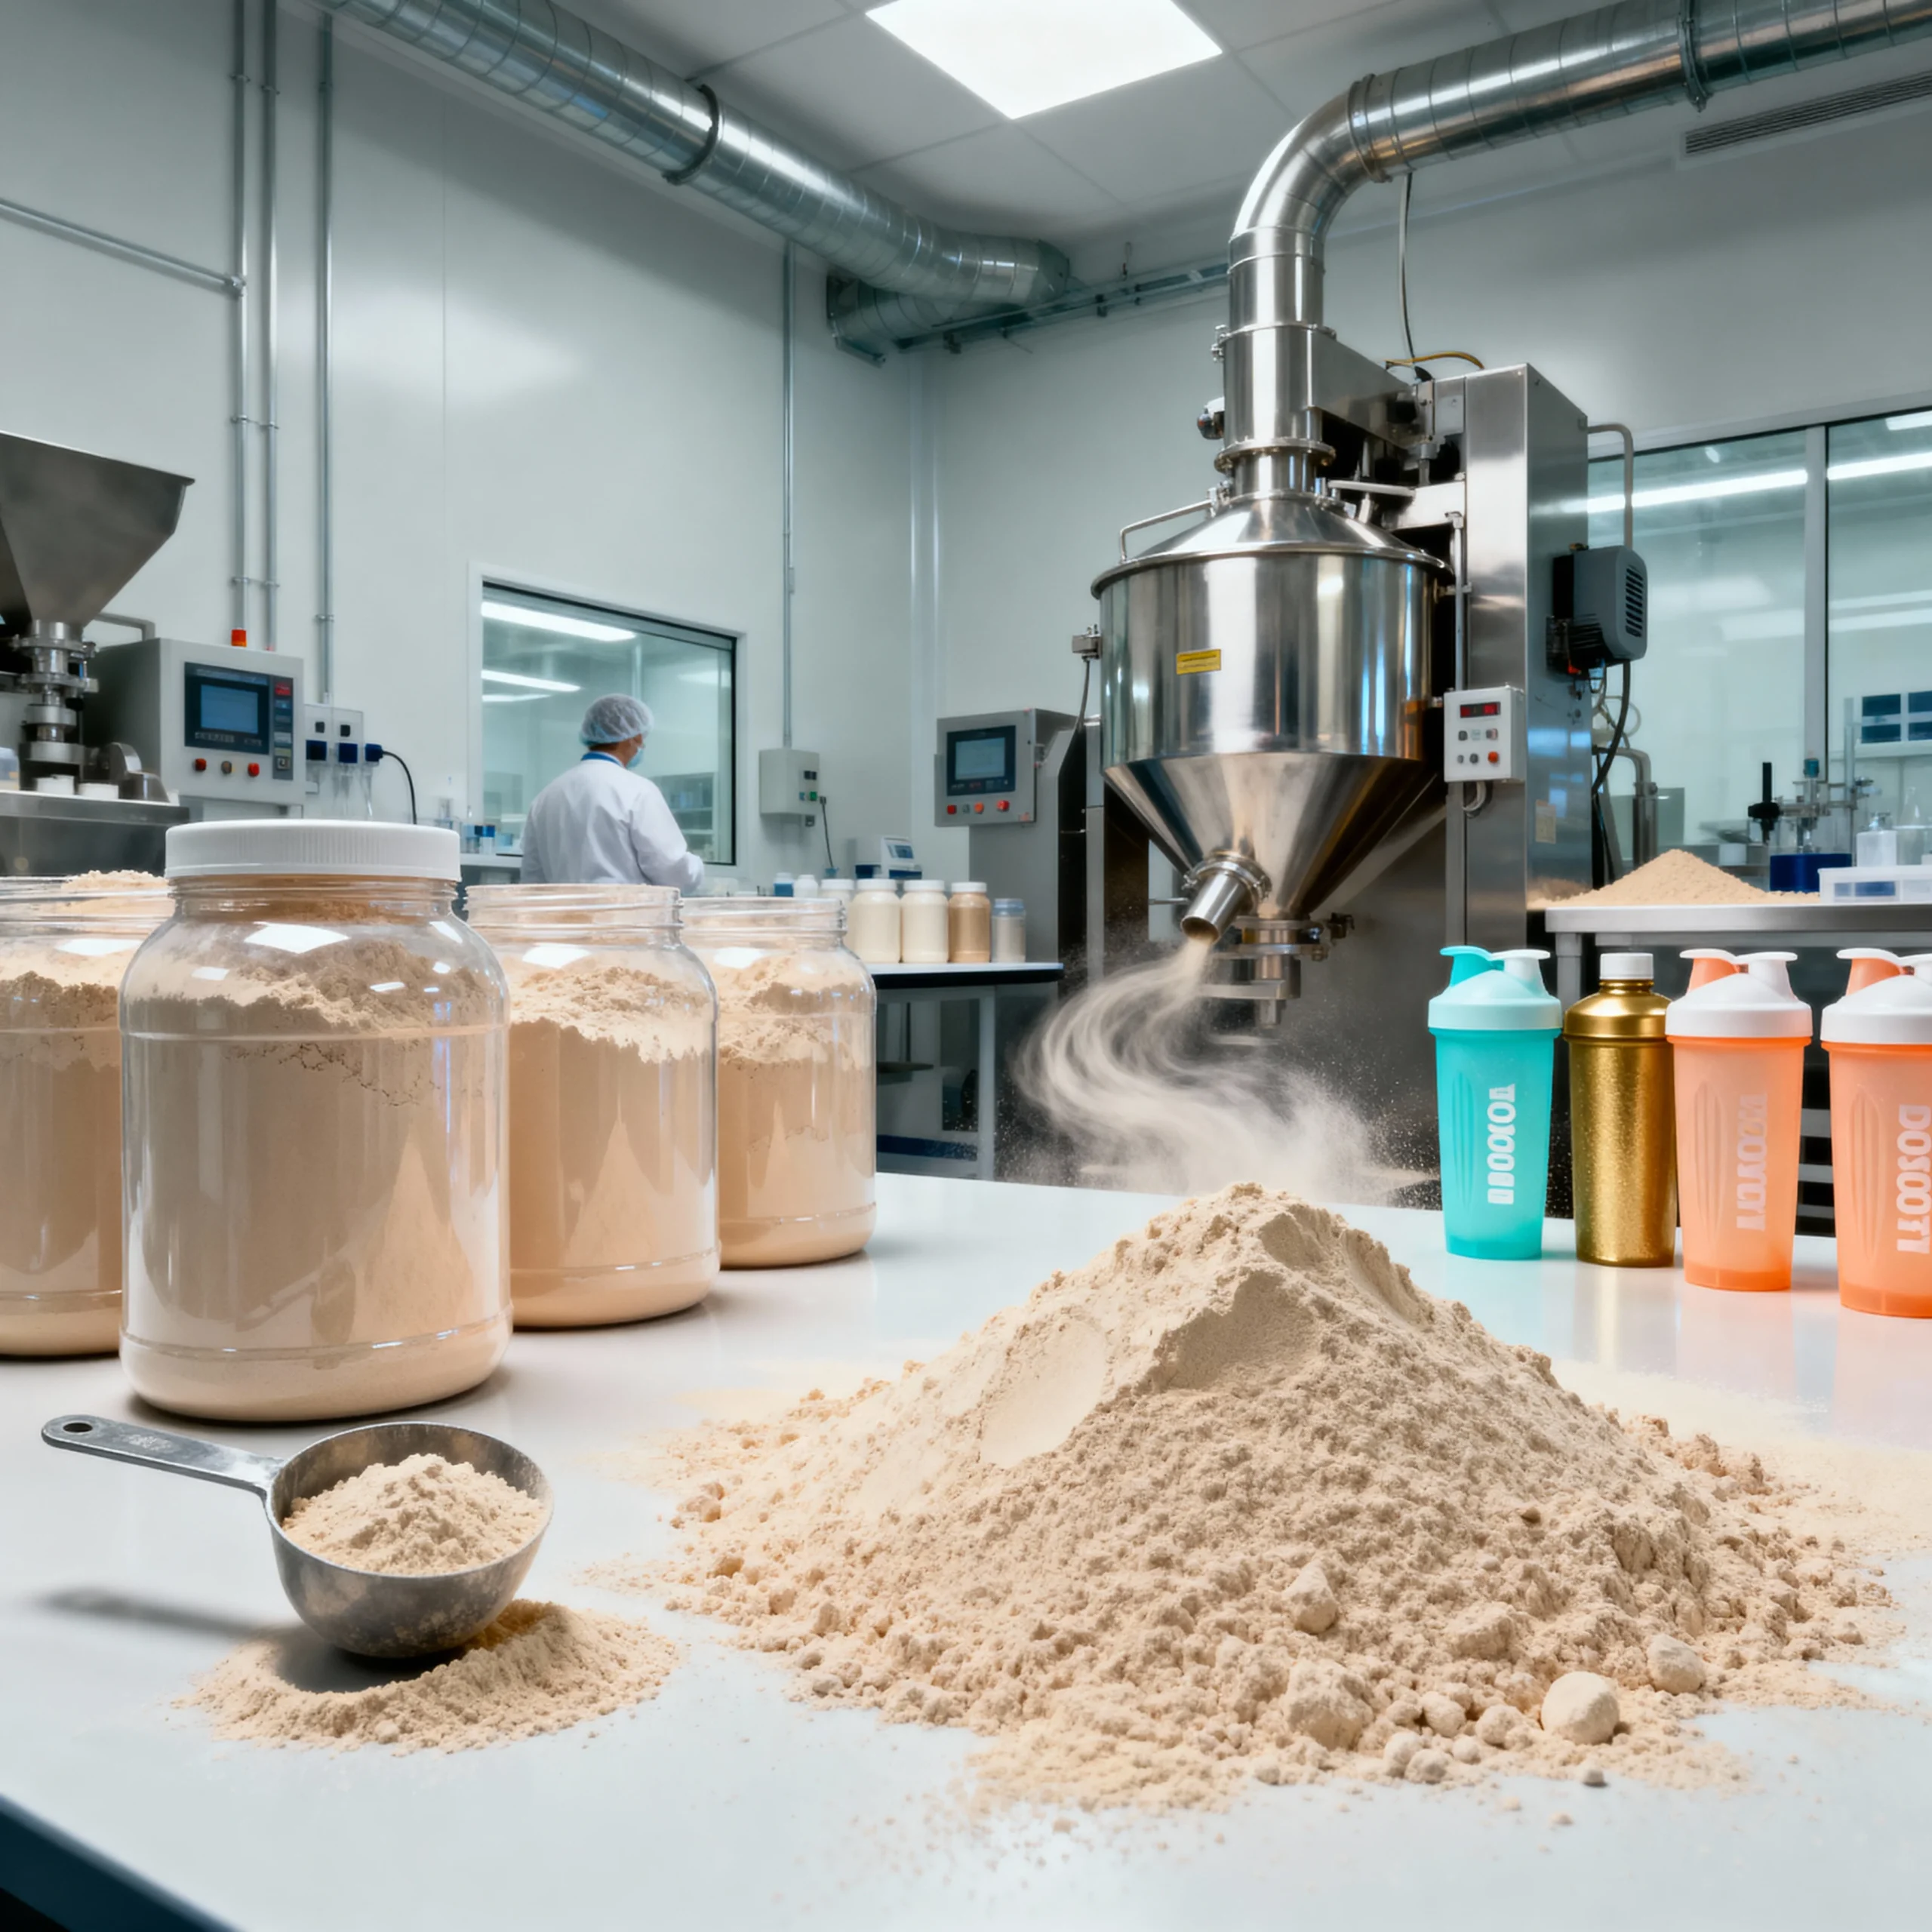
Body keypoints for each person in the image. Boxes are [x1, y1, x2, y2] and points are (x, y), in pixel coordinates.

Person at [518, 694, 705, 891]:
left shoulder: (547, 796)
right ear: (636, 738)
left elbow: (532, 878)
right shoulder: (637, 790)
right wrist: (698, 869)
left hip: (564, 919)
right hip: (624, 917)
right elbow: (673, 871)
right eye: (642, 739)